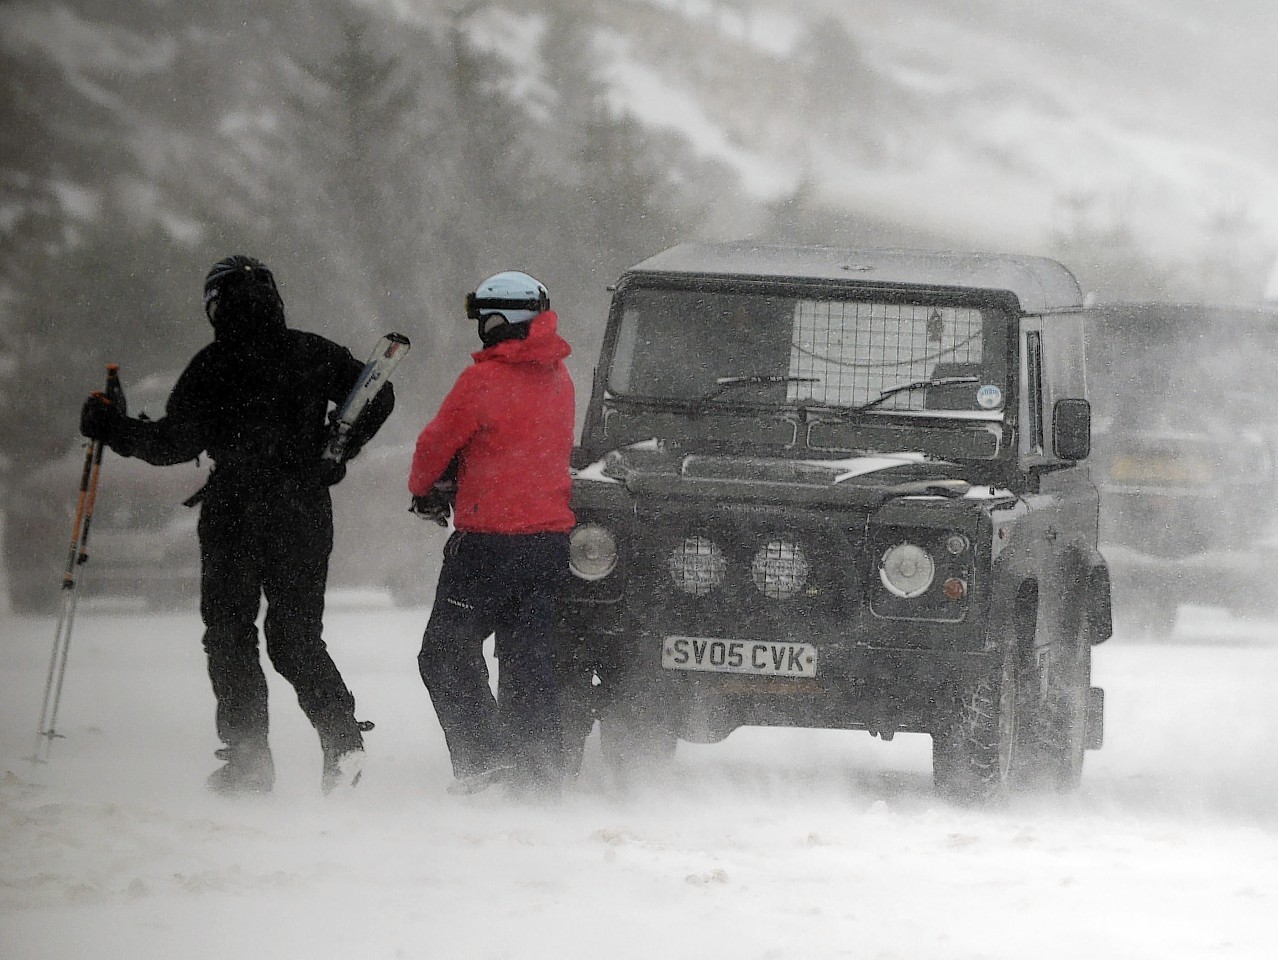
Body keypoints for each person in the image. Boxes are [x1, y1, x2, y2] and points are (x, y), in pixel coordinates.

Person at [79, 254, 395, 796]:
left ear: (215, 305)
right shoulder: (312, 350)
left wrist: (113, 428)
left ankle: (248, 762)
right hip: (303, 509)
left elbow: (173, 444)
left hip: (235, 512)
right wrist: (338, 445)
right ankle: (342, 742)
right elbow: (378, 391)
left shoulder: (213, 365)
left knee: (230, 635)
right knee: (295, 638)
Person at [408, 270, 575, 799]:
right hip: (549, 546)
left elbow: (435, 445)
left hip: (486, 548)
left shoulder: (482, 381)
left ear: (499, 319)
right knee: (529, 662)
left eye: (484, 317)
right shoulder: (559, 377)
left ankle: (483, 761)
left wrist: (425, 488)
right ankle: (541, 774)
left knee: (444, 653)